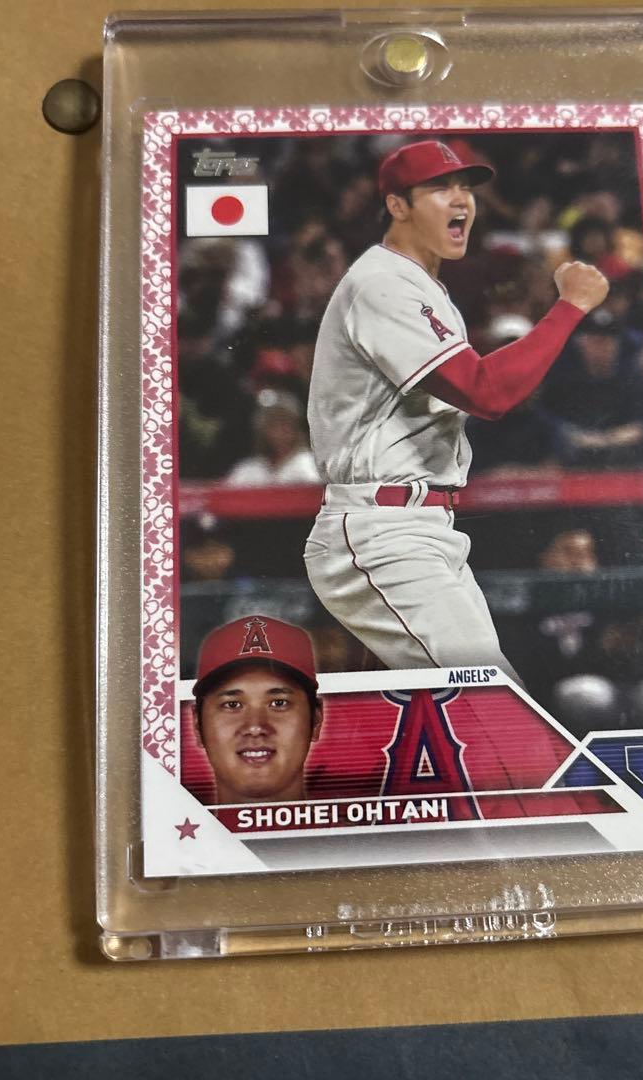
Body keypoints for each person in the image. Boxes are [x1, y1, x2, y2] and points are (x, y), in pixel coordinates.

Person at [305, 139, 610, 675]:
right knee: (490, 701)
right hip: (381, 530)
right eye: (439, 188)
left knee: (472, 704)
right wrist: (569, 307)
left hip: (420, 524)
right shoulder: (382, 284)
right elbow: (486, 391)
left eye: (466, 187)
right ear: (397, 206)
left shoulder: (423, 288)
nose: (461, 199)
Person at [190, 615, 322, 804]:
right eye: (232, 704)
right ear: (197, 724)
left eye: (279, 703)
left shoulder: (359, 824)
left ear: (316, 719)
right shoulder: (158, 823)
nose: (255, 727)